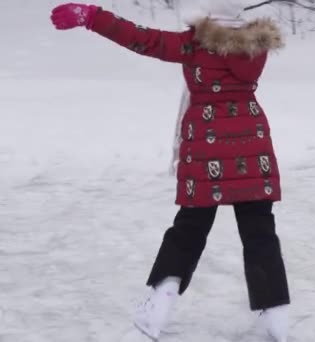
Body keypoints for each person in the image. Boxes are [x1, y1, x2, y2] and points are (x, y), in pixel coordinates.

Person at [50, 1, 290, 341]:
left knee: (189, 231)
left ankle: (158, 307)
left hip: (206, 149)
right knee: (260, 233)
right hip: (251, 146)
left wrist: (94, 17)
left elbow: (142, 38)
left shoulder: (194, 42)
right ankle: (276, 318)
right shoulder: (254, 44)